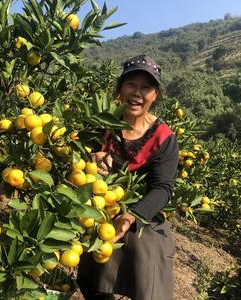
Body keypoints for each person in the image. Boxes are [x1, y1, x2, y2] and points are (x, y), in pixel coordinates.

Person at [77, 55, 179, 300]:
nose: (137, 93)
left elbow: (163, 187)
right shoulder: (101, 122)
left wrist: (132, 216)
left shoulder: (163, 136)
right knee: (92, 269)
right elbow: (76, 161)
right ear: (120, 88)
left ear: (155, 95)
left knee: (147, 261)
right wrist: (90, 160)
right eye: (131, 84)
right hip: (99, 207)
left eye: (146, 87)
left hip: (142, 212)